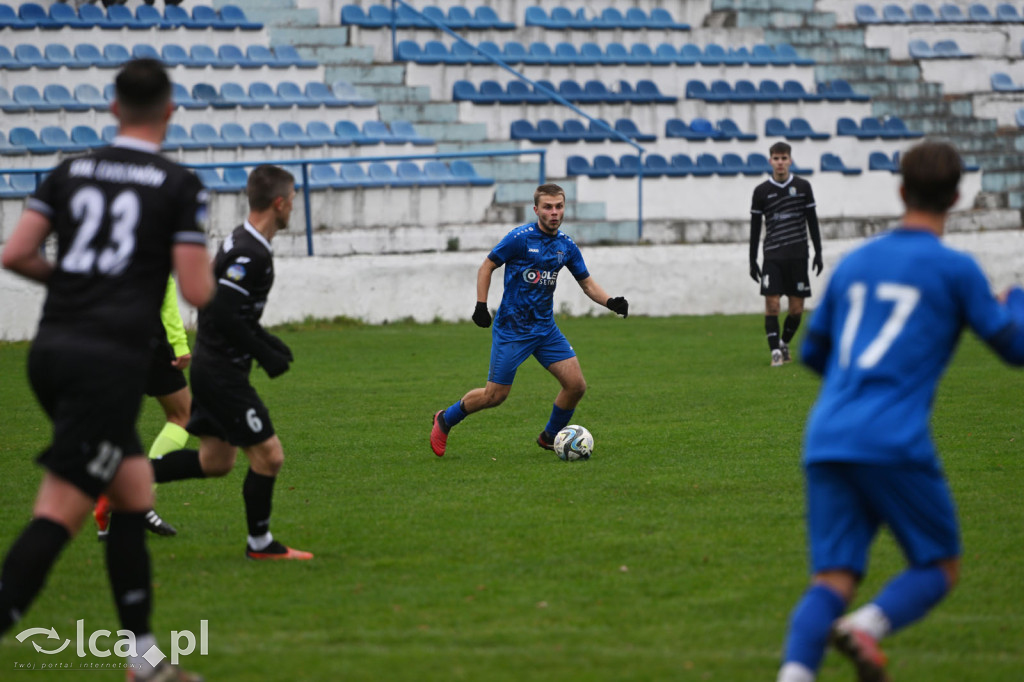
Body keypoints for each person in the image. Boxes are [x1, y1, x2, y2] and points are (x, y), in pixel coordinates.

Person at [776, 141, 1024, 682]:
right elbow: (1014, 348)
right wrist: (1018, 302)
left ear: (901, 190)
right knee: (939, 564)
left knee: (832, 580)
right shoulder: (955, 269)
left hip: (827, 434)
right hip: (892, 438)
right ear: (957, 196)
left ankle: (794, 675)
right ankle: (867, 627)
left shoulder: (858, 262)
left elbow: (814, 352)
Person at [0, 58, 213, 682]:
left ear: (114, 108)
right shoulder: (177, 184)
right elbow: (196, 287)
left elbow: (16, 252)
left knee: (131, 494)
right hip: (108, 361)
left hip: (54, 350)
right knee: (59, 511)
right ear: (170, 112)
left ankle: (142, 658)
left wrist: (74, 279)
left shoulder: (68, 171)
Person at [150, 165, 313, 561]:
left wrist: (264, 341)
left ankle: (128, 479)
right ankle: (260, 544)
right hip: (221, 374)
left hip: (217, 367)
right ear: (278, 203)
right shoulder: (248, 251)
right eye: (292, 198)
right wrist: (264, 351)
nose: (295, 205)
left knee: (215, 461)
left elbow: (227, 309)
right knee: (270, 456)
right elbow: (222, 310)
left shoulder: (245, 241)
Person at [430, 183, 629, 457]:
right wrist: (480, 305)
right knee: (494, 396)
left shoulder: (566, 246)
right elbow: (487, 266)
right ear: (536, 209)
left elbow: (587, 284)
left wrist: (610, 302)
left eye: (559, 206)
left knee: (576, 386)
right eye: (548, 207)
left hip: (545, 330)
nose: (554, 212)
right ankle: (445, 419)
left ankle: (549, 437)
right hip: (512, 329)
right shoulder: (520, 238)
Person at [94, 276, 193, 539]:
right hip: (146, 337)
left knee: (119, 424)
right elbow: (166, 287)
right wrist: (179, 342)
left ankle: (110, 505)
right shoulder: (152, 237)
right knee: (183, 415)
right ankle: (134, 497)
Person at [749, 141, 823, 367]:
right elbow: (754, 227)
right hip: (772, 256)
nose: (780, 163)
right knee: (772, 305)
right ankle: (775, 353)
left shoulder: (803, 187)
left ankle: (783, 342)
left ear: (790, 160)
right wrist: (752, 259)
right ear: (770, 161)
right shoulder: (761, 191)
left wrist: (818, 252)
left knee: (796, 310)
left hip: (799, 255)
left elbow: (812, 221)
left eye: (784, 158)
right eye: (776, 158)